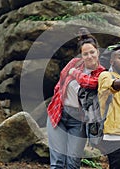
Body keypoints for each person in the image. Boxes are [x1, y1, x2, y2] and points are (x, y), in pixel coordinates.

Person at [46, 27, 105, 169]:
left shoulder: (102, 72)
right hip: (58, 113)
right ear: (81, 55)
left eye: (92, 52)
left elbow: (91, 83)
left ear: (97, 52)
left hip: (79, 120)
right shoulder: (74, 64)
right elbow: (61, 79)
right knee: (57, 163)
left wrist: (76, 74)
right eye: (85, 54)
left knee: (73, 163)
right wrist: (58, 96)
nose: (89, 56)